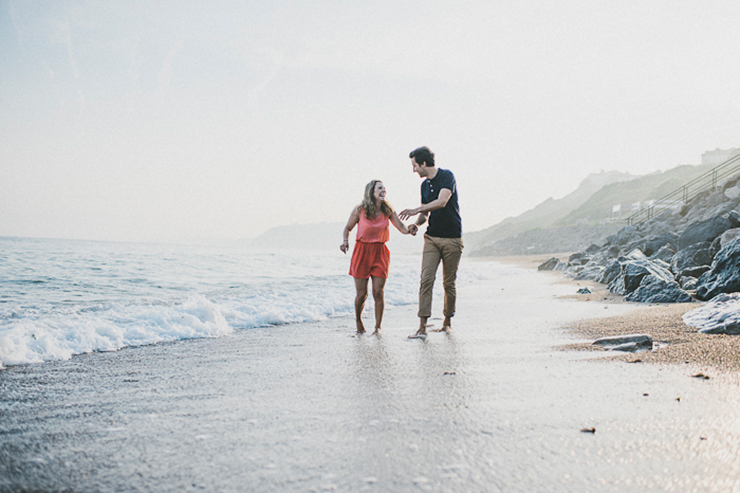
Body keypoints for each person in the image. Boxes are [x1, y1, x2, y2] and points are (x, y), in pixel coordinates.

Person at [399, 146, 463, 339]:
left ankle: (447, 322)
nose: (414, 170)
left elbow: (442, 202)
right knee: (426, 280)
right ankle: (422, 327)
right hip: (432, 238)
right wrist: (416, 224)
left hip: (452, 238)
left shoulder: (446, 176)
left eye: (415, 165)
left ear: (424, 163)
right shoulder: (424, 186)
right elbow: (426, 214)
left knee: (448, 284)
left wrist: (415, 209)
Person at [341, 180, 415, 335]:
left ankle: (377, 327)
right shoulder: (360, 209)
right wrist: (345, 241)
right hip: (361, 251)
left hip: (380, 252)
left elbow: (401, 227)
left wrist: (410, 230)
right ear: (371, 192)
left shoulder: (388, 210)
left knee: (378, 292)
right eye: (380, 188)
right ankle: (358, 320)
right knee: (362, 294)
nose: (384, 190)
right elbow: (348, 228)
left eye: (384, 188)